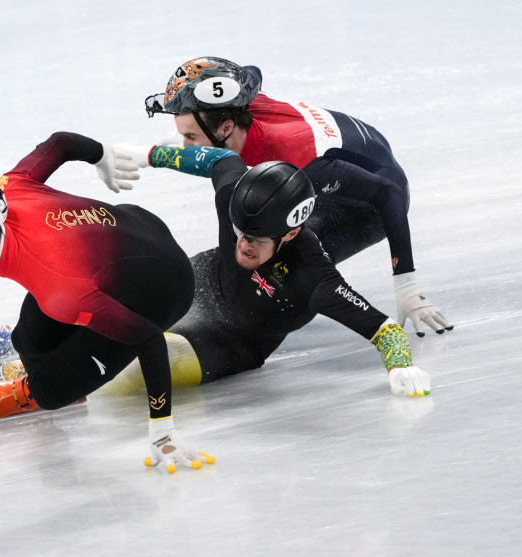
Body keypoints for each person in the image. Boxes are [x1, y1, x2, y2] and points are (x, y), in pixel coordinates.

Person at [0, 131, 213, 472]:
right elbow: (60, 144)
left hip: (162, 291)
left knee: (51, 391)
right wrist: (104, 156)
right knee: (26, 339)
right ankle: (63, 362)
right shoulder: (8, 188)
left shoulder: (63, 289)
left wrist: (163, 429)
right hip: (136, 231)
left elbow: (149, 339)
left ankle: (38, 387)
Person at [143, 56, 453, 338]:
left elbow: (389, 193)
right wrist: (148, 154)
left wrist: (407, 285)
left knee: (278, 260)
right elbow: (252, 72)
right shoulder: (241, 101)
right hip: (342, 161)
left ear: (225, 127)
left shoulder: (299, 160)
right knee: (249, 237)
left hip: (365, 206)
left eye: (192, 137)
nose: (185, 145)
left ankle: (236, 333)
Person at [99, 142, 431, 395]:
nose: (243, 244)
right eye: (239, 233)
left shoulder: (313, 274)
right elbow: (220, 160)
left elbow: (384, 330)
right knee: (96, 301)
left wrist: (400, 365)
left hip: (234, 342)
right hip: (193, 283)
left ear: (290, 234)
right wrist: (148, 154)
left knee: (141, 366)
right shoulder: (233, 195)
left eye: (256, 239)